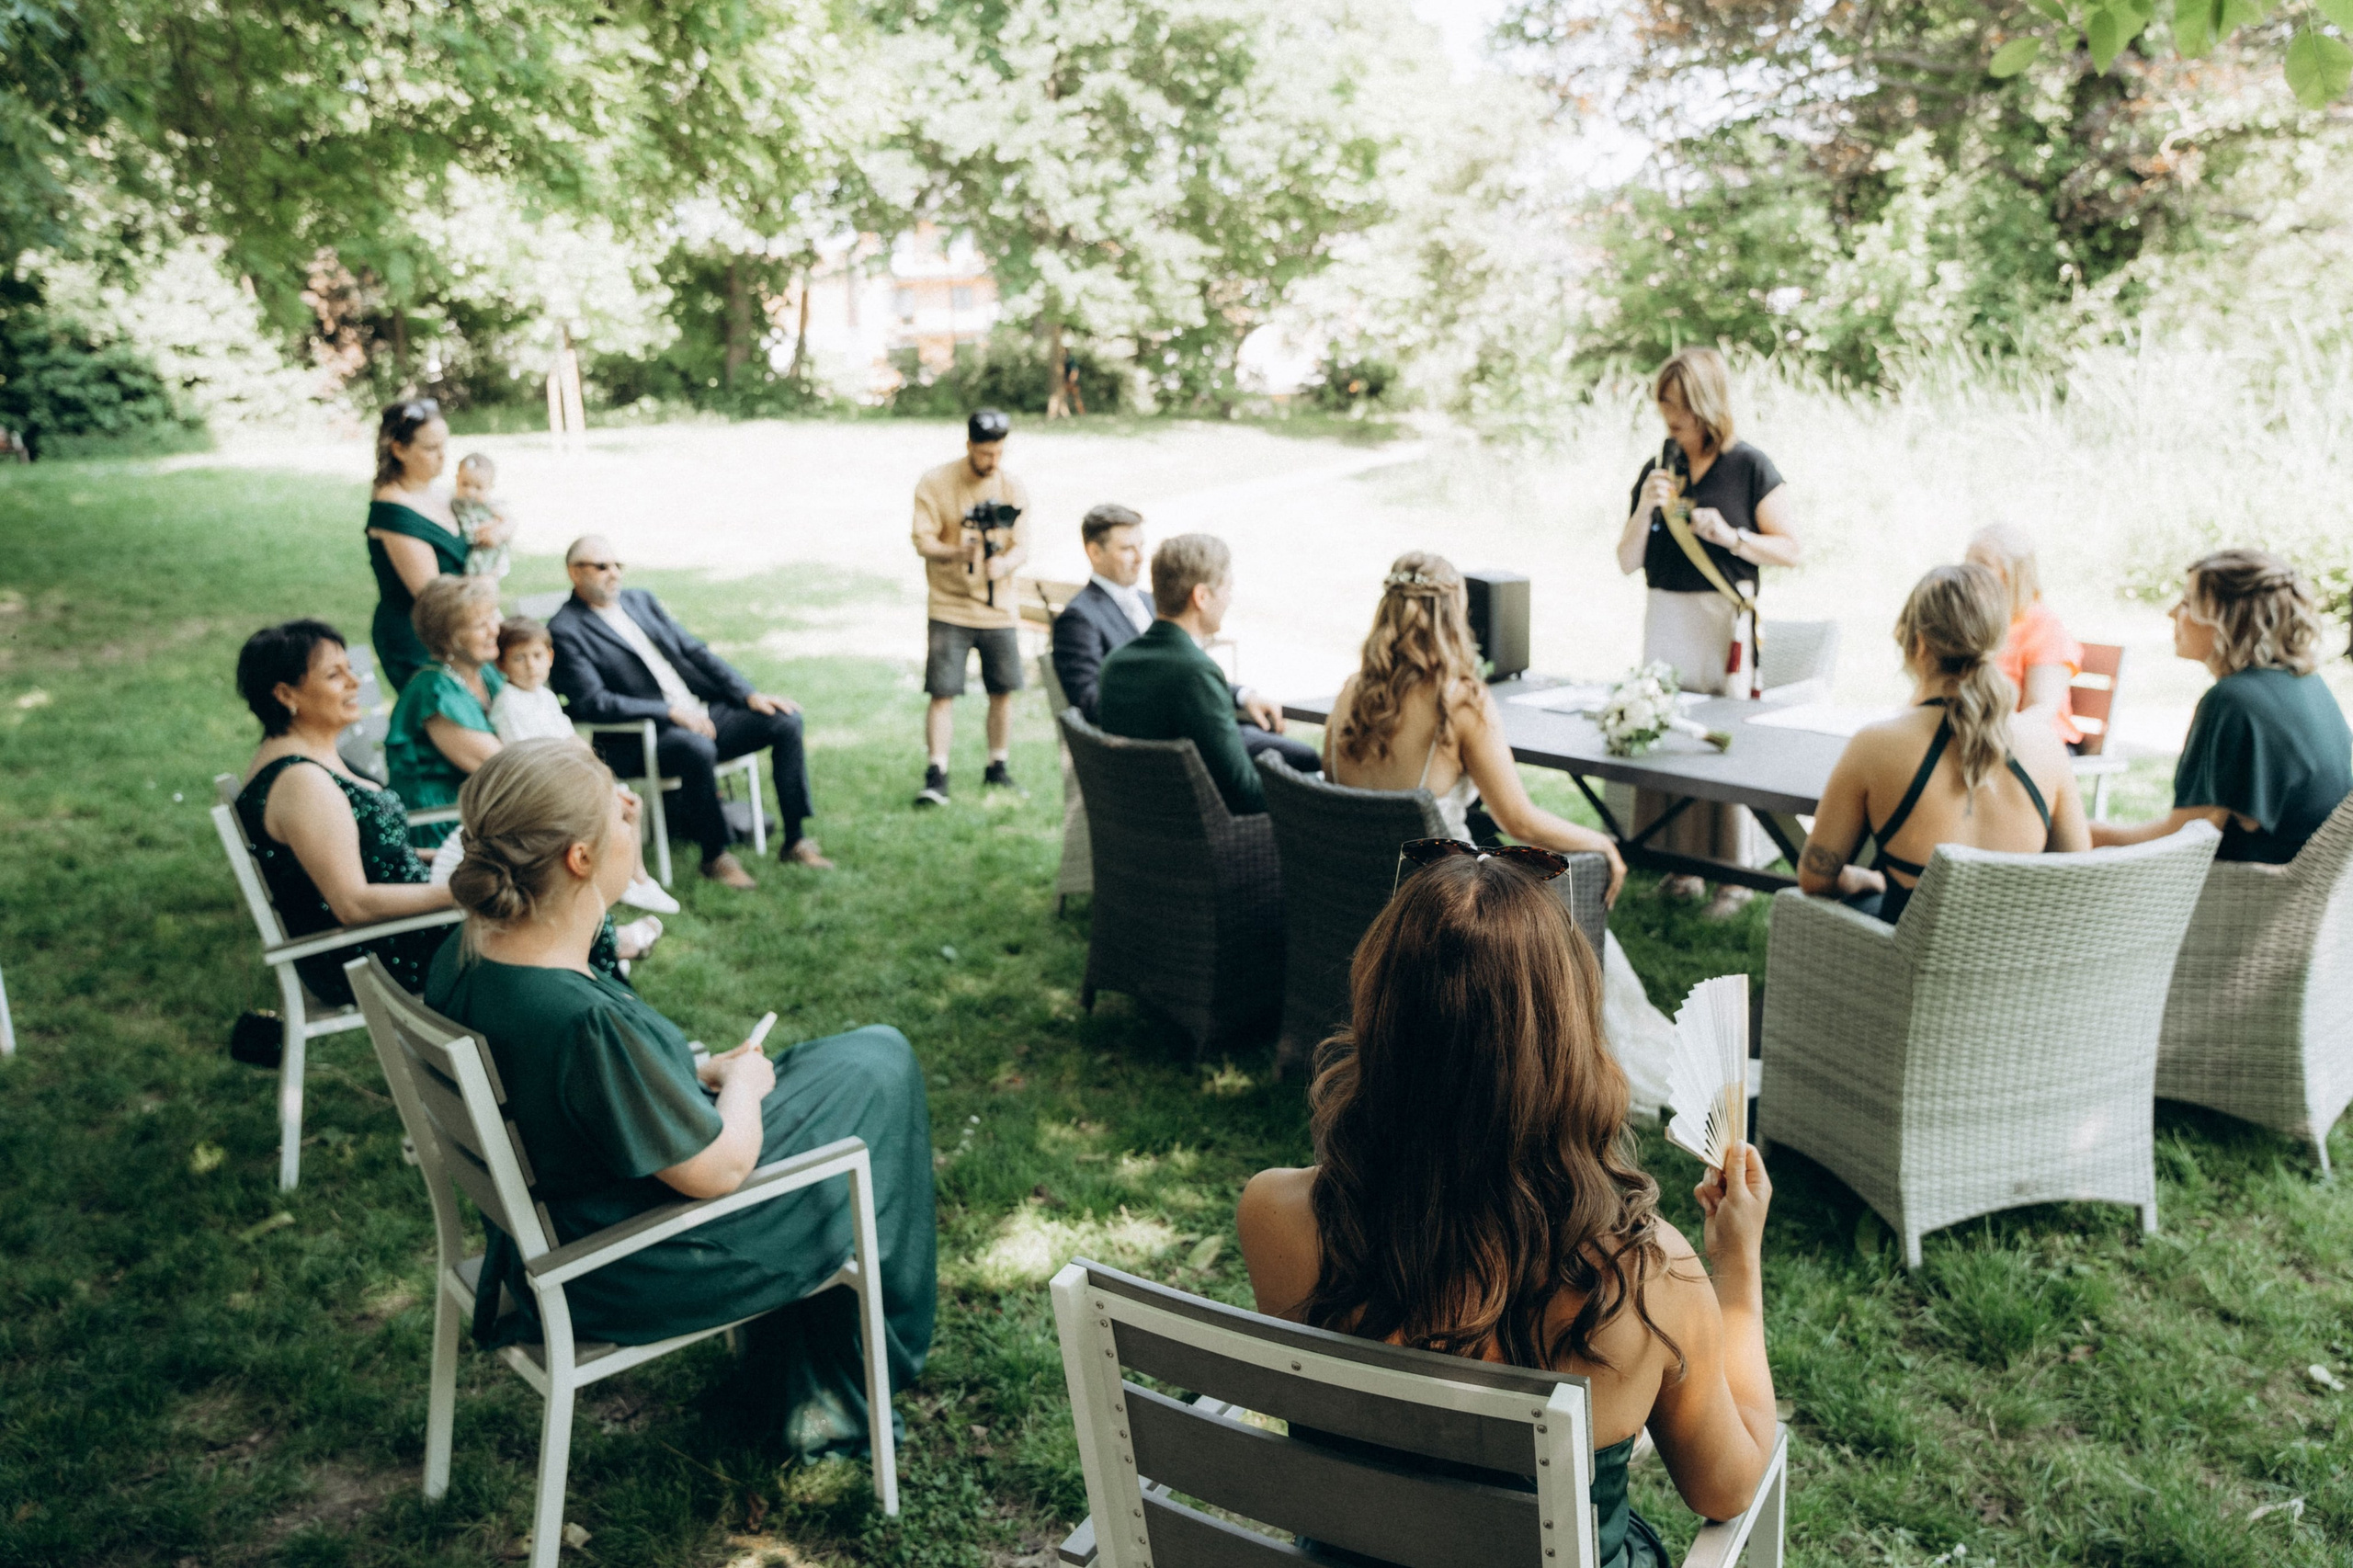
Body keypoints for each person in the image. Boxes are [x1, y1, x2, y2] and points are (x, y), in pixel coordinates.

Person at [1236, 853, 1779, 1568]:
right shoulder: (1646, 1279)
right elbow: (1729, 1489)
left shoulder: (1274, 1215)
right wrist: (1737, 1270)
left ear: (1381, 1014)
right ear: (1565, 1040)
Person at [425, 741, 938, 1461]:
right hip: (632, 1261)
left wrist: (692, 1076)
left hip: (567, 1219)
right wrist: (747, 1086)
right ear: (578, 858)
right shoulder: (578, 1020)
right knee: (880, 1071)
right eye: (619, 812)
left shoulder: (470, 951)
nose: (632, 815)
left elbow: (579, 1096)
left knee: (859, 1060)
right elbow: (719, 1173)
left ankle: (816, 1372)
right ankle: (841, 1384)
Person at [1612, 349, 1801, 919]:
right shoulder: (1659, 466)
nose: (1671, 419)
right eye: (1664, 407)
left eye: (1680, 408)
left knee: (1721, 742)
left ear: (1705, 404)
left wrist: (1732, 536)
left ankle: (1732, 878)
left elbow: (1792, 548)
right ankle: (1678, 864)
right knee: (1668, 731)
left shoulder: (1749, 466)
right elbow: (1625, 561)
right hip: (1666, 615)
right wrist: (1645, 507)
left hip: (1721, 620)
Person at [1324, 551, 1624, 904]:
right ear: (1454, 616)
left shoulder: (1348, 692)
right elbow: (1519, 823)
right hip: (1442, 909)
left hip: (1344, 900)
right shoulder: (1460, 702)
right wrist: (1601, 842)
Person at [1798, 564, 2089, 925]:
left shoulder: (1875, 745)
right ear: (1996, 641)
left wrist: (1866, 878)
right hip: (2015, 965)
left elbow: (1815, 877)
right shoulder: (2044, 746)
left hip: (1906, 967)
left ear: (1919, 644)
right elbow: (2079, 874)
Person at [549, 535, 831, 889]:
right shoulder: (565, 629)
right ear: (575, 573)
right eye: (602, 566)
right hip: (643, 737)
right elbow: (593, 701)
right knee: (696, 748)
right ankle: (715, 856)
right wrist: (668, 711)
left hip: (699, 712)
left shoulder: (640, 601)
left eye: (618, 565)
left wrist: (747, 695)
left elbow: (694, 652)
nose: (614, 574)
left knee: (785, 721)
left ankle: (795, 839)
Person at [232, 619, 461, 1012]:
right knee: (551, 923)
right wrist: (466, 895)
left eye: (349, 670)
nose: (354, 682)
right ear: (286, 694)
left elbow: (370, 854)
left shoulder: (311, 757)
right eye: (335, 675)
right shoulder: (301, 781)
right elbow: (352, 904)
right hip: (380, 953)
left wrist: (447, 860)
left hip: (405, 930)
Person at [2092, 549, 2350, 864]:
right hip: (2306, 895)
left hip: (2245, 899)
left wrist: (2092, 834)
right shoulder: (2307, 684)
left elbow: (2178, 839)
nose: (2172, 612)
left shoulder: (2233, 701)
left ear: (2228, 616)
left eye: (2187, 602)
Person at [426, 612, 680, 922]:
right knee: (613, 810)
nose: (531, 666)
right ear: (502, 665)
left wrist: (602, 776)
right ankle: (626, 878)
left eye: (537, 656)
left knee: (628, 802)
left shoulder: (544, 697)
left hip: (565, 772)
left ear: (549, 658)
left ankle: (634, 875)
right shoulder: (511, 705)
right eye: (519, 658)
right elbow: (529, 758)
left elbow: (569, 737)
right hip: (542, 786)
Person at [1051, 504, 1312, 767]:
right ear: (1094, 552)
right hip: (1164, 746)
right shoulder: (1079, 618)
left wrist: (1243, 695)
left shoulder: (1150, 601)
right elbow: (1089, 700)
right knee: (1307, 761)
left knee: (1295, 752)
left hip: (1201, 730)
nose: (1140, 558)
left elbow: (1187, 672)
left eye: (1142, 546)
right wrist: (1179, 710)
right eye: (1127, 549)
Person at [1097, 534, 1302, 816]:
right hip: (1205, 842)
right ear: (1202, 597)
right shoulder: (1196, 673)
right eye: (1227, 588)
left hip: (1138, 831)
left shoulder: (1115, 664)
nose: (1230, 598)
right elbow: (1245, 793)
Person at [911, 409, 1030, 806]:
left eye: (998, 453)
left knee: (1003, 691)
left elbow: (1022, 545)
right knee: (942, 693)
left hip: (999, 608)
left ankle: (998, 767)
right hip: (949, 605)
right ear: (969, 447)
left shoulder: (1012, 487)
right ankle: (937, 773)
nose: (992, 462)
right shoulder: (936, 482)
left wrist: (1005, 563)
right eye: (984, 454)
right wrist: (956, 551)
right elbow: (923, 541)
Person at [367, 398, 469, 693]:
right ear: (399, 449)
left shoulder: (438, 493)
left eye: (444, 446)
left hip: (462, 627)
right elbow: (431, 595)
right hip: (419, 638)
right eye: (430, 448)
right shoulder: (393, 510)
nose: (442, 456)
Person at [1965, 524, 2083, 746]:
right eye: (1967, 561)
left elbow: (2040, 711)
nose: (1967, 572)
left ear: (2014, 574)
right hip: (1979, 741)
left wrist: (1985, 739)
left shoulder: (2044, 626)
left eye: (1982, 563)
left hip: (2036, 746)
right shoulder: (1972, 620)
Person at [451, 451, 517, 582]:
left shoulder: (490, 506)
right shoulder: (454, 503)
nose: (470, 492)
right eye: (465, 484)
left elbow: (510, 522)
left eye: (478, 487)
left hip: (488, 551)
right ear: (457, 479)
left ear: (490, 487)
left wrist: (498, 534)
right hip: (470, 552)